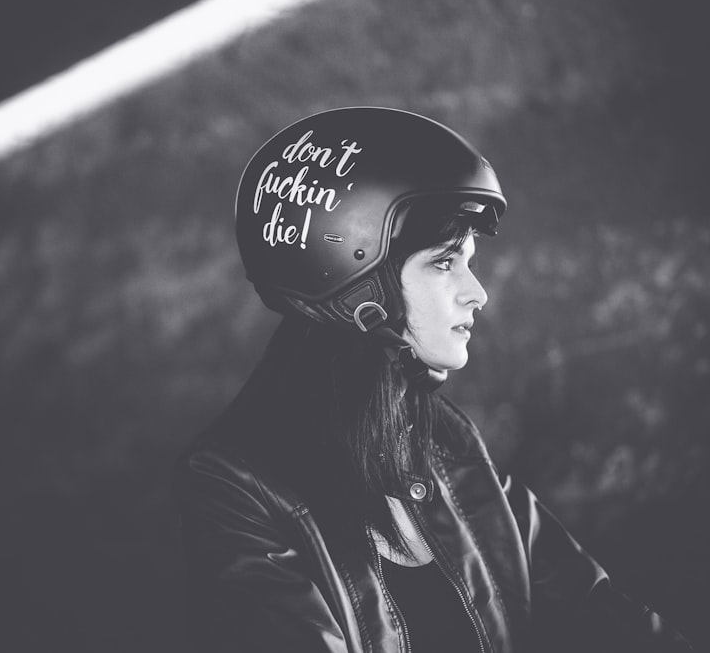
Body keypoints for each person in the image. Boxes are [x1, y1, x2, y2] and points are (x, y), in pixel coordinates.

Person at [172, 107, 692, 652]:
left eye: (468, 261)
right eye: (445, 263)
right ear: (360, 288)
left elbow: (600, 612)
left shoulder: (448, 444)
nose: (478, 293)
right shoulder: (233, 487)